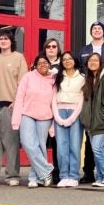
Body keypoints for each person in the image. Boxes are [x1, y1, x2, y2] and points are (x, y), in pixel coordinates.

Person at [0, 31, 27, 187]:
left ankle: (13, 174)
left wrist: (17, 101)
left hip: (11, 105)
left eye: (6, 39)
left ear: (11, 41)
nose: (3, 41)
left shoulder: (19, 58)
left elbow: (23, 82)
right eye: (0, 39)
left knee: (11, 142)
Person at [12, 53, 56, 187]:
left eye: (45, 62)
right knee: (27, 142)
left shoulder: (54, 79)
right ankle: (46, 170)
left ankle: (35, 178)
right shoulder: (28, 77)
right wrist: (16, 120)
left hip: (45, 116)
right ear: (35, 66)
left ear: (49, 64)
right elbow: (19, 98)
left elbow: (55, 102)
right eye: (40, 63)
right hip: (27, 114)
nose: (43, 65)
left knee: (40, 145)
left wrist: (53, 124)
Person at [80, 52, 104, 187]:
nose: (92, 62)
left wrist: (101, 119)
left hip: (102, 122)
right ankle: (101, 177)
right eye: (90, 61)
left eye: (95, 60)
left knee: (98, 148)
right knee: (97, 149)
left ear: (100, 62)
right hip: (92, 123)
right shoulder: (90, 79)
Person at [52, 52, 85, 188]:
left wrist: (72, 118)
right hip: (60, 112)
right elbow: (53, 98)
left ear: (75, 61)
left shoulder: (82, 78)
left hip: (75, 114)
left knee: (74, 146)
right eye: (64, 59)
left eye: (69, 59)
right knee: (61, 146)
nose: (67, 61)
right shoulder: (58, 77)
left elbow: (82, 99)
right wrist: (57, 116)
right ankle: (64, 175)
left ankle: (73, 176)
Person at [42, 38, 63, 184]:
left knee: (57, 143)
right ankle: (42, 172)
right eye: (48, 46)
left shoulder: (63, 64)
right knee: (41, 142)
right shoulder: (39, 64)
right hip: (41, 108)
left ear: (58, 49)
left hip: (57, 108)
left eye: (54, 46)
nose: (51, 48)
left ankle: (57, 172)